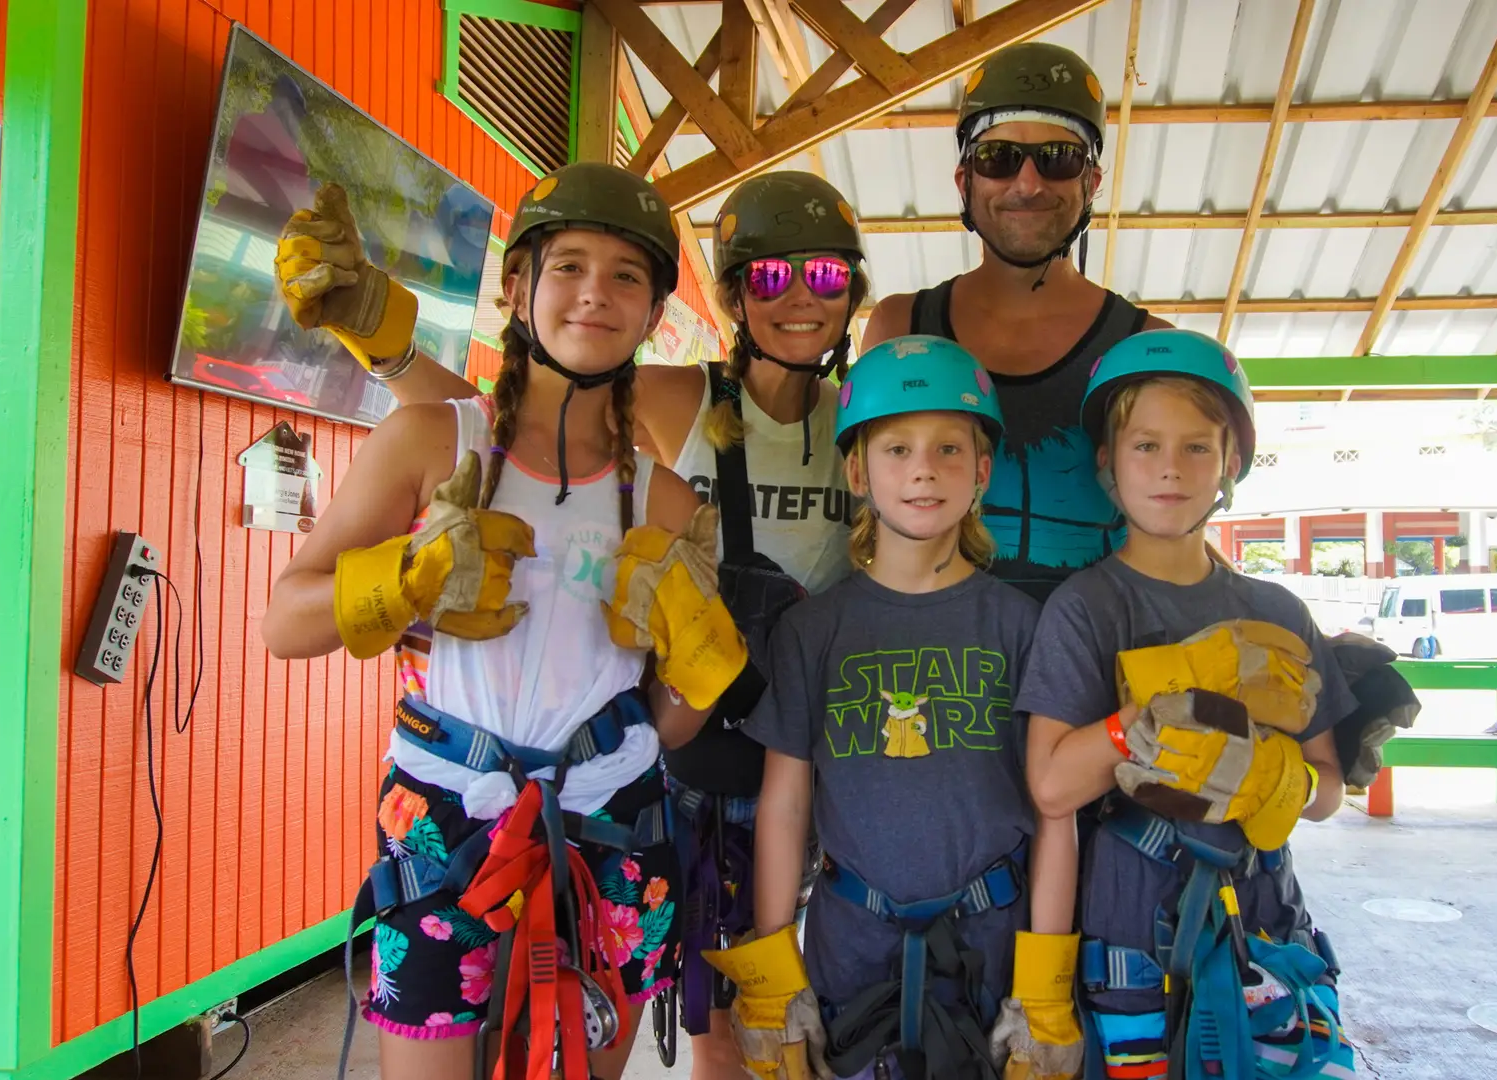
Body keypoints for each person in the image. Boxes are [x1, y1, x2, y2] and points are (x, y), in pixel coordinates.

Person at [358, 168, 871, 1078]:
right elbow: (534, 418)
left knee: (765, 1007)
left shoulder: (866, 420)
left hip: (783, 747)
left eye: (826, 276)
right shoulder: (679, 400)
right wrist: (396, 365)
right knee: (705, 1017)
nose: (799, 297)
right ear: (731, 295)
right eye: (769, 276)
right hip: (655, 764)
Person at [263, 162, 746, 1080]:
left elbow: (669, 724)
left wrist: (699, 670)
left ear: (654, 315)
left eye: (626, 276)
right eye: (568, 267)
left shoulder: (667, 503)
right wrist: (405, 580)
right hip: (445, 826)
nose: (595, 293)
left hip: (612, 827)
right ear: (518, 288)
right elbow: (285, 623)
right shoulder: (433, 442)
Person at [705, 337, 1070, 1080]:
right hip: (850, 952)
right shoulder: (814, 629)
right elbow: (785, 804)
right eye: (897, 449)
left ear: (983, 471)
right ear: (857, 472)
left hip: (992, 951)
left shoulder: (1022, 625)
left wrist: (1045, 988)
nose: (923, 469)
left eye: (948, 449)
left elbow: (1053, 808)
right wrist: (774, 974)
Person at [1016, 328, 1359, 1079]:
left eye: (1197, 447)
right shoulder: (1087, 608)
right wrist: (1146, 716)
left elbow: (1330, 788)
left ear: (1231, 464)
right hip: (1131, 926)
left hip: (1263, 920)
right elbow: (1051, 786)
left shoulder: (1278, 612)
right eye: (1145, 446)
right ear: (1107, 462)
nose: (1170, 468)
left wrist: (1285, 780)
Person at [863, 42, 1175, 602]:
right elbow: (864, 518)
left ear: (1091, 183)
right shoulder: (900, 328)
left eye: (1058, 158)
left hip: (1102, 650)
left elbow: (1179, 528)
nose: (1028, 184)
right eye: (999, 158)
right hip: (935, 650)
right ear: (965, 181)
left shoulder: (1149, 348)